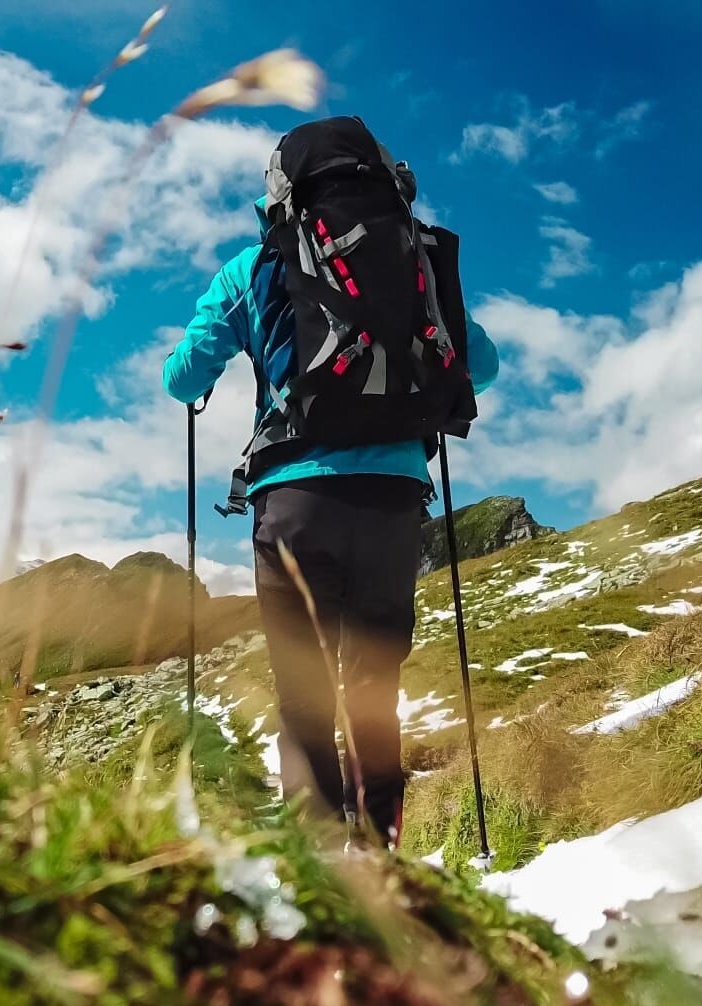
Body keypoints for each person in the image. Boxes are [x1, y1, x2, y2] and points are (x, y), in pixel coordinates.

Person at [161, 116, 498, 848]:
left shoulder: (253, 268)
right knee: (375, 684)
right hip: (392, 501)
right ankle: (380, 852)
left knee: (305, 694)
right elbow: (484, 365)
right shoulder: (416, 259)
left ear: (281, 193)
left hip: (293, 501)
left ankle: (316, 865)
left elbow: (183, 376)